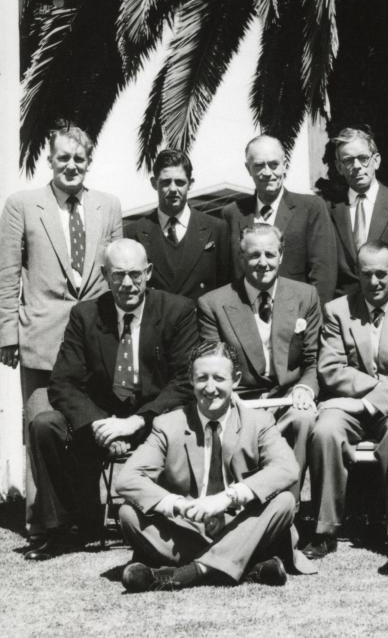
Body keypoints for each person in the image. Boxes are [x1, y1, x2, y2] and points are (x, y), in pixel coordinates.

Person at [26, 239, 197, 560]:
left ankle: (176, 519)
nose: (127, 283)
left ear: (148, 273)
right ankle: (61, 529)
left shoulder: (178, 311)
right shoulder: (86, 315)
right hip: (101, 420)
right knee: (45, 424)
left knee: (174, 420)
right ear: (105, 275)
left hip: (155, 420)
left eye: (135, 274)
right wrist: (98, 426)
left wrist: (134, 422)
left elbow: (184, 381)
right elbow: (63, 382)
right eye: (118, 275)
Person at [0, 123, 123, 535]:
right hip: (40, 337)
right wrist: (7, 334)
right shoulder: (21, 204)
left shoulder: (108, 205)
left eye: (80, 159)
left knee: (84, 425)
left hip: (94, 340)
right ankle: (44, 521)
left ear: (89, 162)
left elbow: (118, 272)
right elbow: (7, 276)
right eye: (63, 158)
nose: (71, 166)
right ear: (49, 160)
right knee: (41, 423)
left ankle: (86, 516)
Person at [116, 341, 317, 592]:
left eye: (219, 378)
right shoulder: (168, 425)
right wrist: (177, 504)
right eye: (202, 378)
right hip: (189, 527)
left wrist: (226, 499)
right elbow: (126, 479)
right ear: (191, 380)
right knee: (127, 514)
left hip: (243, 524)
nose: (210, 388)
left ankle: (188, 573)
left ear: (236, 379)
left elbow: (288, 469)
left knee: (284, 502)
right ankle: (246, 567)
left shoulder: (259, 421)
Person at [307, 241, 388, 559]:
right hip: (348, 401)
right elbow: (331, 369)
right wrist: (371, 392)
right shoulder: (337, 310)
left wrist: (370, 402)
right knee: (325, 431)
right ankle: (325, 529)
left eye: (381, 274)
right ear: (357, 275)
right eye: (366, 275)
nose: (374, 283)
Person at [197, 224, 321, 481]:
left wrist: (304, 388)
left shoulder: (305, 295)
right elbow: (215, 366)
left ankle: (290, 502)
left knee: (305, 417)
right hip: (241, 399)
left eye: (270, 254)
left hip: (287, 397)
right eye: (254, 255)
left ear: (281, 256)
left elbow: (312, 361)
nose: (262, 263)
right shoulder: (214, 304)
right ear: (241, 258)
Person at [222, 134, 337, 301]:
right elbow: (227, 274)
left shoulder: (311, 208)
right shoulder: (232, 213)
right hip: (246, 314)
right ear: (248, 169)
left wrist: (310, 319)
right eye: (259, 165)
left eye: (274, 164)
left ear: (285, 165)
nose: (268, 173)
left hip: (298, 314)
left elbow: (323, 274)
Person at [124, 148, 230, 300]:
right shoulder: (134, 232)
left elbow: (226, 287)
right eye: (166, 182)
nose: (173, 189)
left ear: (190, 183)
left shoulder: (216, 229)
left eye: (180, 182)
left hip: (201, 321)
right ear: (154, 183)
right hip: (157, 321)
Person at [326, 128, 388, 296]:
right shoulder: (328, 209)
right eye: (348, 160)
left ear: (376, 160)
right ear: (339, 167)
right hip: (345, 308)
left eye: (363, 158)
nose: (356, 166)